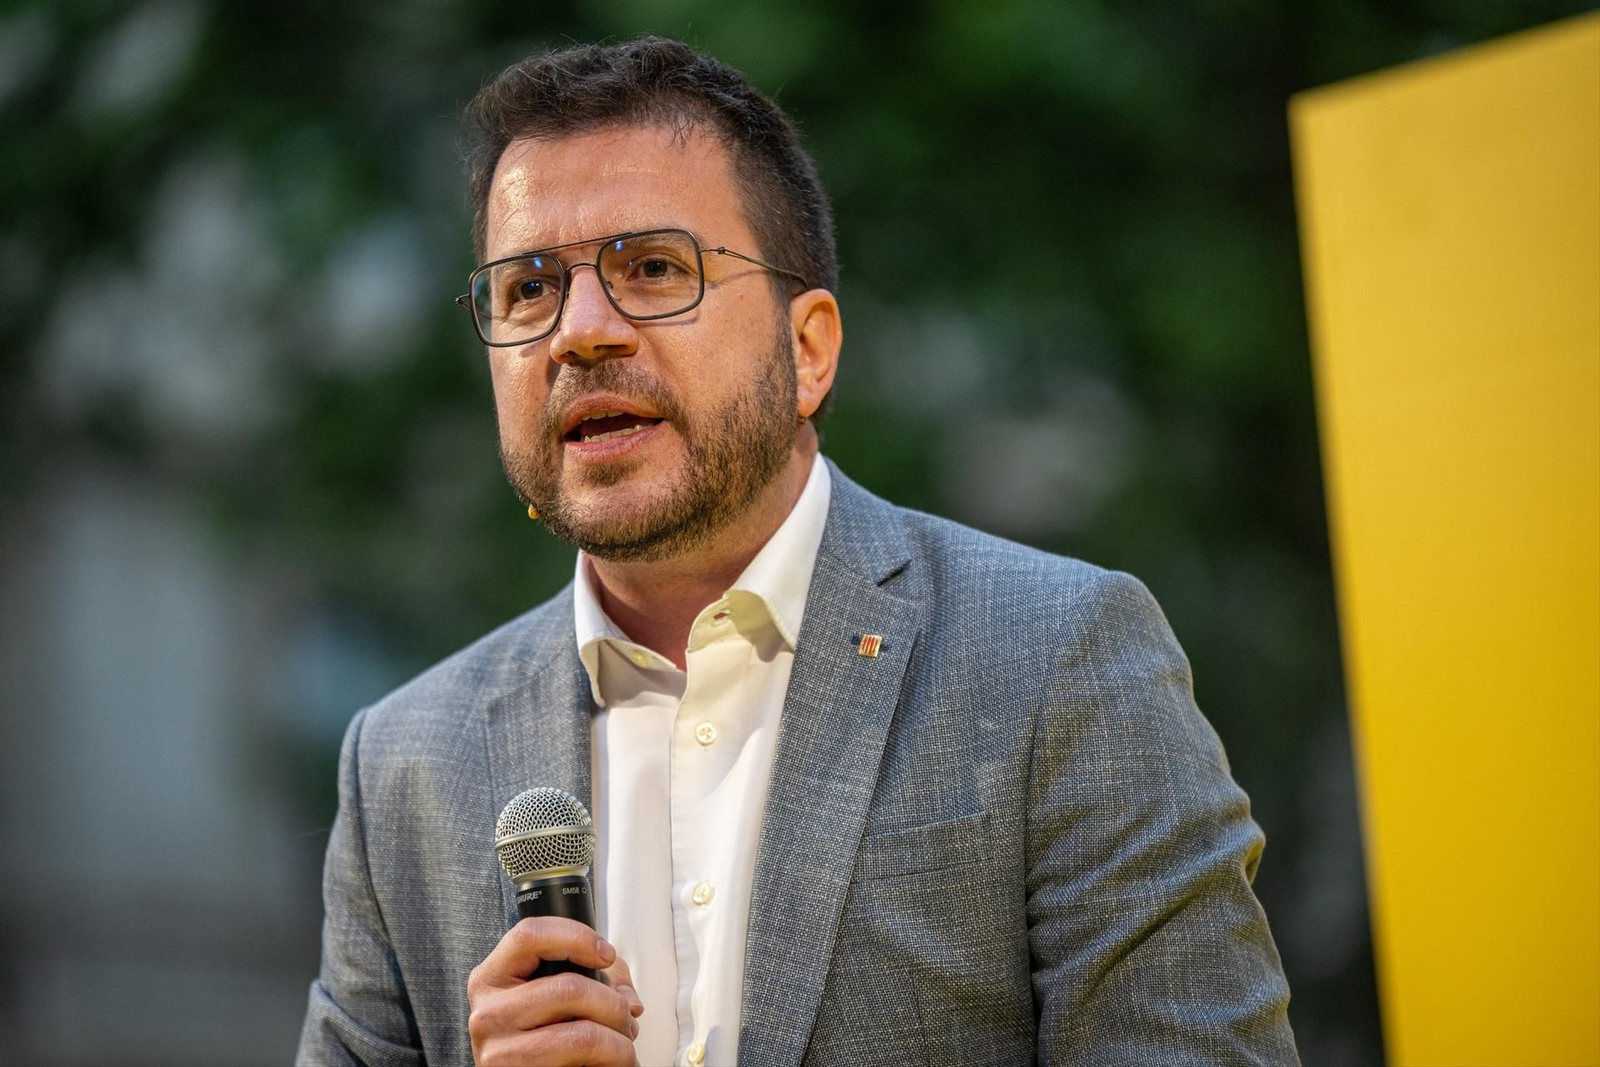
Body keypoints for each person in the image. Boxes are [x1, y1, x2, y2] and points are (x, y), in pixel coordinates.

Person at [297, 36, 1300, 1067]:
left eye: (652, 268)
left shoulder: (1055, 662)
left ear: (808, 347)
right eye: (528, 288)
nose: (578, 332)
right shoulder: (403, 767)